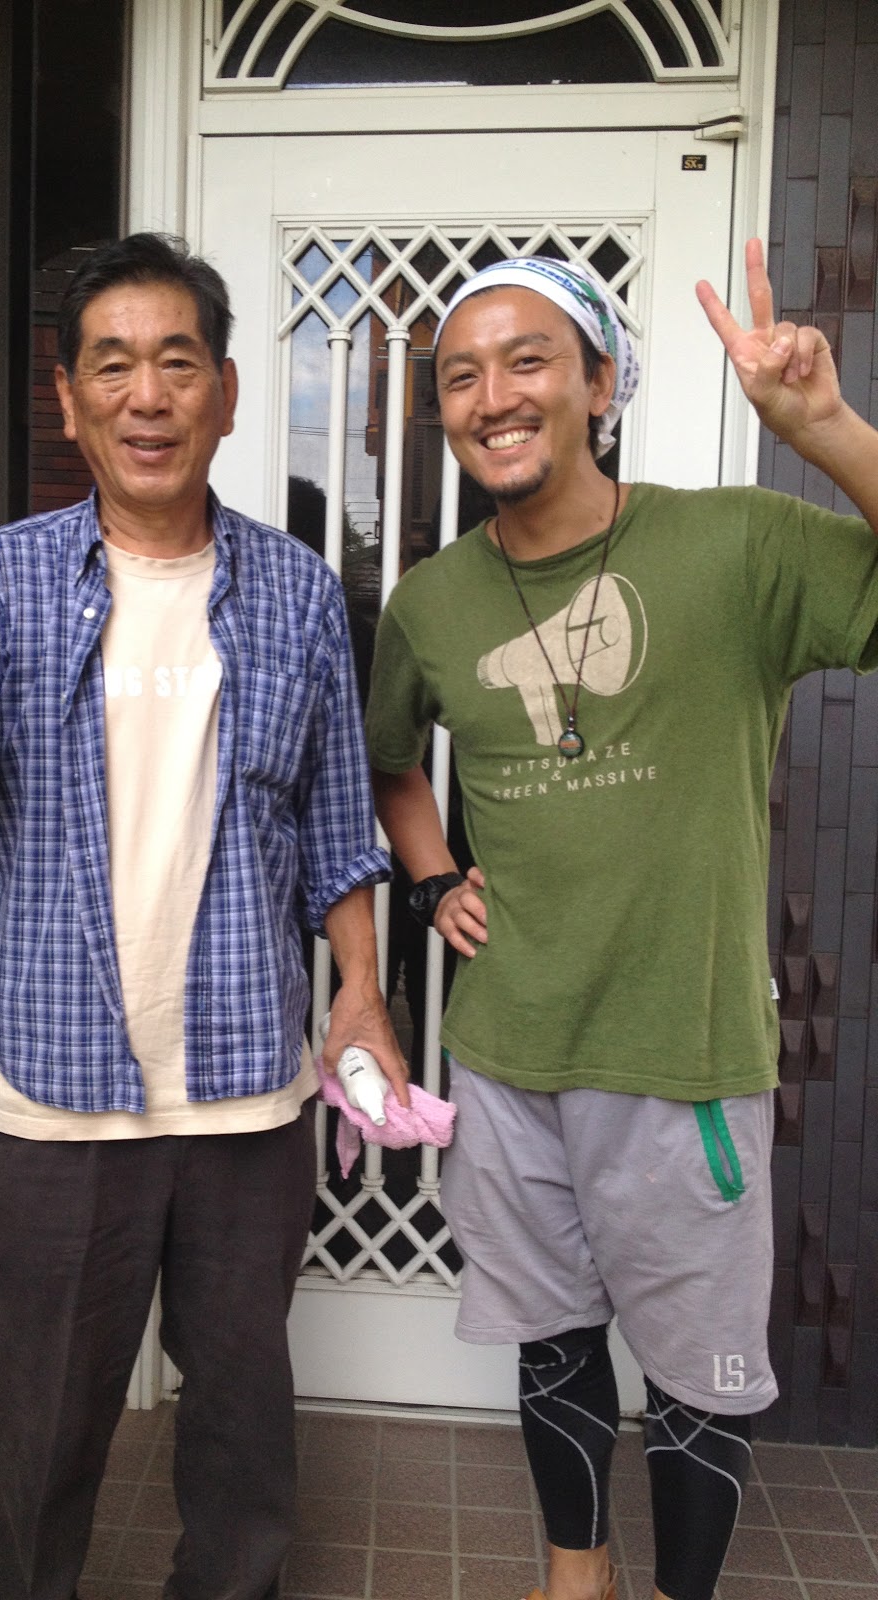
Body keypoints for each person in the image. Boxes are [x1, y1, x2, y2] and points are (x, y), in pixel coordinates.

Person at [0, 231, 407, 1600]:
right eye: (112, 366)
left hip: (245, 1098)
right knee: (44, 1439)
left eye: (178, 362)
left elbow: (336, 826)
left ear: (225, 392)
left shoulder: (296, 590)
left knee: (241, 1444)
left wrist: (360, 994)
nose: (148, 396)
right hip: (57, 1104)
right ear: (69, 401)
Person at [365, 240, 878, 1600]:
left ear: (601, 383)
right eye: (459, 376)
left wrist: (827, 430)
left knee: (699, 1375)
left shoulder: (737, 545)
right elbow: (392, 761)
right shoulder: (431, 602)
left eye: (527, 360)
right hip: (509, 1052)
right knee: (552, 1338)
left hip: (681, 1055)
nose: (492, 396)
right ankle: (573, 1575)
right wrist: (434, 879)